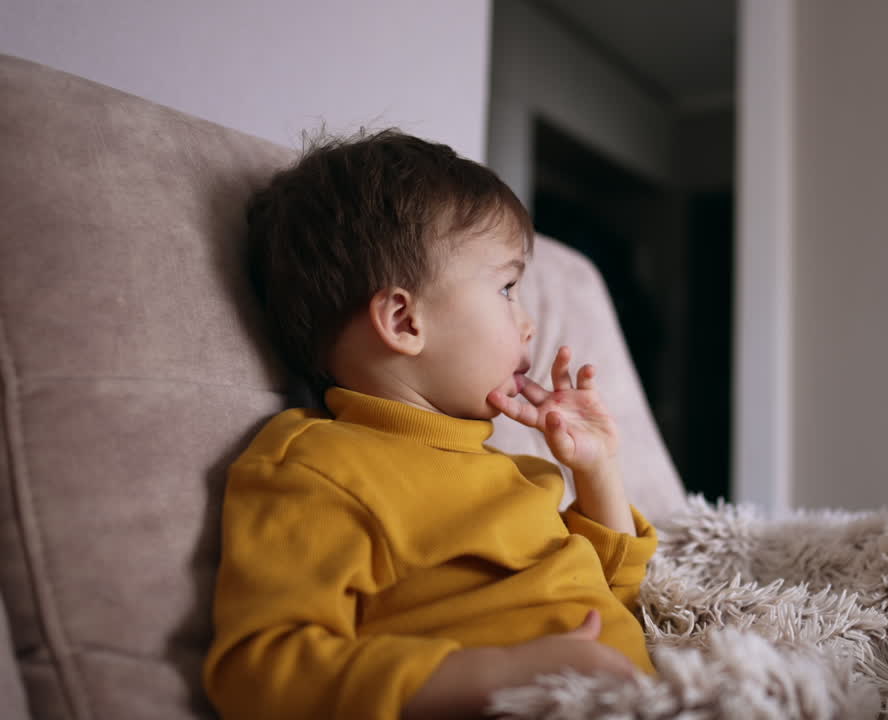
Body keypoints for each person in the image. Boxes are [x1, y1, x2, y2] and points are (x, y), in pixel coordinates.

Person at [202, 129, 658, 720]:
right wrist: (500, 674)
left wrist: (597, 471)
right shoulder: (318, 467)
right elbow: (260, 670)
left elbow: (618, 601)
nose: (527, 325)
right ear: (403, 320)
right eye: (507, 288)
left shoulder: (515, 470)